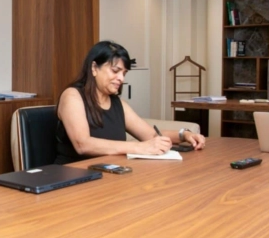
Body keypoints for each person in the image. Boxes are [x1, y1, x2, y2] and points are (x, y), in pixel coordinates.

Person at [56, 41, 206, 164]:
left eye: (124, 73)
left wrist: (184, 135)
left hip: (110, 173)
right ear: (94, 68)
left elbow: (151, 135)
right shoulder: (72, 96)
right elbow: (83, 144)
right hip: (75, 176)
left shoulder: (117, 103)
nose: (121, 79)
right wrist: (138, 147)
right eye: (115, 71)